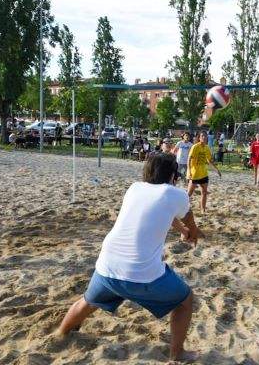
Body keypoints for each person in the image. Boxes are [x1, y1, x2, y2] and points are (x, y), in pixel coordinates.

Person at [56, 152, 204, 362]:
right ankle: (177, 353)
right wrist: (192, 233)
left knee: (87, 302)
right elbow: (188, 220)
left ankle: (61, 333)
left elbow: (163, 211)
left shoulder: (135, 188)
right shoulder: (176, 194)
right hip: (142, 275)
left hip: (106, 267)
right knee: (185, 300)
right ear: (173, 175)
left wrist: (181, 229)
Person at [186, 131, 221, 214]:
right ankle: (182, 208)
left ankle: (203, 209)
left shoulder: (207, 148)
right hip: (194, 174)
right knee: (189, 194)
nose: (204, 137)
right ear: (199, 138)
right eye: (202, 136)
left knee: (204, 192)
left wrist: (216, 170)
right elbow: (189, 160)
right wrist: (189, 171)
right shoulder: (195, 147)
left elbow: (209, 161)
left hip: (203, 174)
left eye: (205, 136)